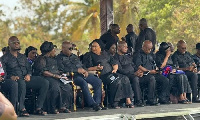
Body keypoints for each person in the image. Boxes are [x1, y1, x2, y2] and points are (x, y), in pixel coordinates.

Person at [83, 39, 134, 108]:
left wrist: (115, 68)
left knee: (125, 78)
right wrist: (95, 68)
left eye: (95, 46)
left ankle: (128, 100)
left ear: (100, 47)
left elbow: (113, 61)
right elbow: (85, 68)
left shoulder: (105, 53)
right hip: (102, 75)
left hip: (111, 73)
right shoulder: (89, 55)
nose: (93, 48)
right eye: (92, 46)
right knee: (116, 81)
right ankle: (114, 103)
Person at [56, 41, 102, 111]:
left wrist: (85, 70)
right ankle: (92, 104)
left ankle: (97, 103)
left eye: (72, 48)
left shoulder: (74, 56)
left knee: (98, 81)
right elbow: (62, 69)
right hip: (72, 76)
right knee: (83, 83)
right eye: (69, 49)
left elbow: (82, 65)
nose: (71, 50)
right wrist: (76, 70)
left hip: (82, 74)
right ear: (63, 48)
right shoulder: (59, 58)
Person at [33, 41, 72, 114]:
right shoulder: (41, 59)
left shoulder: (54, 59)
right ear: (49, 51)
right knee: (55, 86)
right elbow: (43, 71)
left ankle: (63, 106)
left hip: (56, 77)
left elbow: (57, 70)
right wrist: (54, 76)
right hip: (45, 77)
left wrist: (62, 75)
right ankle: (52, 108)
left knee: (67, 87)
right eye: (53, 50)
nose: (55, 51)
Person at [114, 41, 153, 107]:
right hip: (126, 75)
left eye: (127, 47)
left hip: (134, 73)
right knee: (135, 79)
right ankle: (138, 101)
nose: (126, 48)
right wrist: (134, 73)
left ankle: (151, 99)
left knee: (151, 78)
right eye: (124, 47)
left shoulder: (128, 57)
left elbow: (134, 65)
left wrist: (139, 71)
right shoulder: (115, 57)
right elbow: (120, 70)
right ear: (119, 47)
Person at [1, 36, 32, 117]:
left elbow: (29, 68)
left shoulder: (23, 57)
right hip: (14, 80)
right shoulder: (4, 58)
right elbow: (3, 72)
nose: (17, 44)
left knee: (44, 82)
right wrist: (10, 77)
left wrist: (29, 74)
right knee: (19, 83)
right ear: (9, 44)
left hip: (26, 78)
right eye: (14, 42)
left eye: (18, 42)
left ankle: (39, 107)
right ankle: (21, 108)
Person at [134, 40, 170, 105]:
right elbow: (139, 66)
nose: (150, 50)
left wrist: (157, 70)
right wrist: (149, 71)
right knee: (151, 79)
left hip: (153, 72)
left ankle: (162, 98)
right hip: (144, 74)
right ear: (144, 47)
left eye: (151, 49)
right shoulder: (138, 54)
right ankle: (150, 99)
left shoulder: (151, 55)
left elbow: (154, 63)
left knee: (165, 80)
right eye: (148, 49)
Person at [24, 46, 49, 115]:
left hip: (34, 78)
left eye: (36, 53)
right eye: (33, 53)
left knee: (45, 82)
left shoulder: (37, 61)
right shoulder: (24, 60)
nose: (35, 55)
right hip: (24, 78)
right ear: (28, 53)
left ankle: (39, 107)